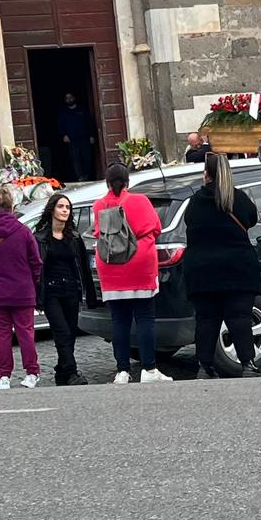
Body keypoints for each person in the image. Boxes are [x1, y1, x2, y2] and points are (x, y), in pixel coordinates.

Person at [183, 152, 261, 379]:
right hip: (237, 267)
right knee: (240, 318)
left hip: (202, 269)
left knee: (206, 320)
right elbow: (251, 218)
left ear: (206, 174)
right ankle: (247, 363)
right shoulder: (237, 198)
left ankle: (205, 366)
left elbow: (190, 223)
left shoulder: (195, 201)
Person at [93, 161, 172, 384]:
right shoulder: (140, 201)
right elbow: (155, 227)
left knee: (119, 320)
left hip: (111, 266)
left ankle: (122, 371)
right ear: (128, 181)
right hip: (140, 264)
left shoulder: (99, 205)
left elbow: (98, 232)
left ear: (107, 183)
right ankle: (149, 369)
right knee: (145, 318)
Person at [0, 186, 44, 389]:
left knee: (2, 336)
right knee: (26, 333)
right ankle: (32, 372)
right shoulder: (23, 231)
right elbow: (35, 261)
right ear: (11, 205)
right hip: (22, 290)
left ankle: (4, 376)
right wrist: (32, 281)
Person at [32, 193, 97, 385]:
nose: (65, 211)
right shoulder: (40, 238)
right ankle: (71, 371)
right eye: (61, 207)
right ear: (52, 210)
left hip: (71, 290)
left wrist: (89, 295)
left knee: (70, 332)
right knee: (61, 332)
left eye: (67, 208)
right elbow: (36, 270)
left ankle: (61, 372)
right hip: (51, 292)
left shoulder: (74, 238)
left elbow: (83, 269)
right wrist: (38, 297)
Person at [58, 92, 97, 183]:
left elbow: (90, 123)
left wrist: (92, 135)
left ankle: (87, 175)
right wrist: (64, 135)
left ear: (74, 98)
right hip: (72, 140)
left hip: (85, 138)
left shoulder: (82, 110)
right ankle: (80, 177)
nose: (69, 99)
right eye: (67, 98)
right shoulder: (63, 112)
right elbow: (60, 125)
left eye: (70, 97)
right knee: (75, 159)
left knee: (87, 158)